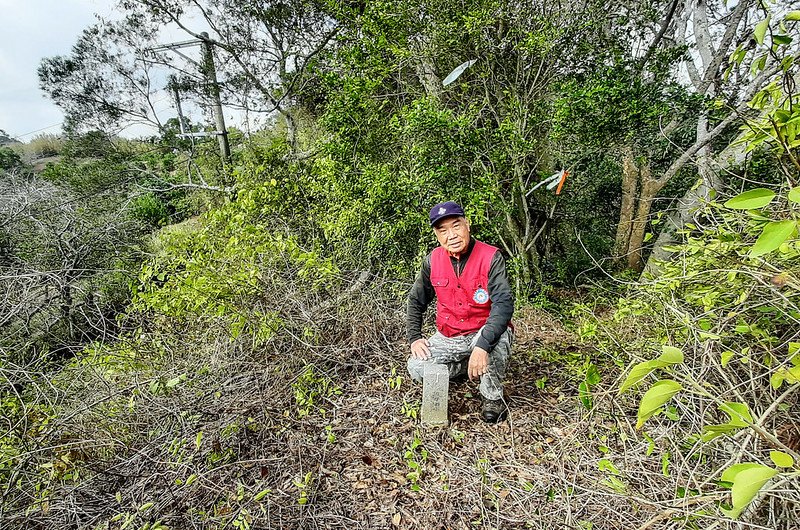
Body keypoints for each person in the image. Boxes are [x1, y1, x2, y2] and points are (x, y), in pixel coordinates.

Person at [406, 201, 514, 423]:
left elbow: (503, 304)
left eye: (456, 226)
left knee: (498, 339)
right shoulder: (432, 260)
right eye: (442, 230)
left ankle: (492, 397)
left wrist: (482, 345)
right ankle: (465, 367)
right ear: (437, 235)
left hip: (482, 331)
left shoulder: (491, 257)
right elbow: (416, 300)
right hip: (450, 335)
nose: (451, 235)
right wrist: (415, 338)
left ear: (467, 225)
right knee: (416, 366)